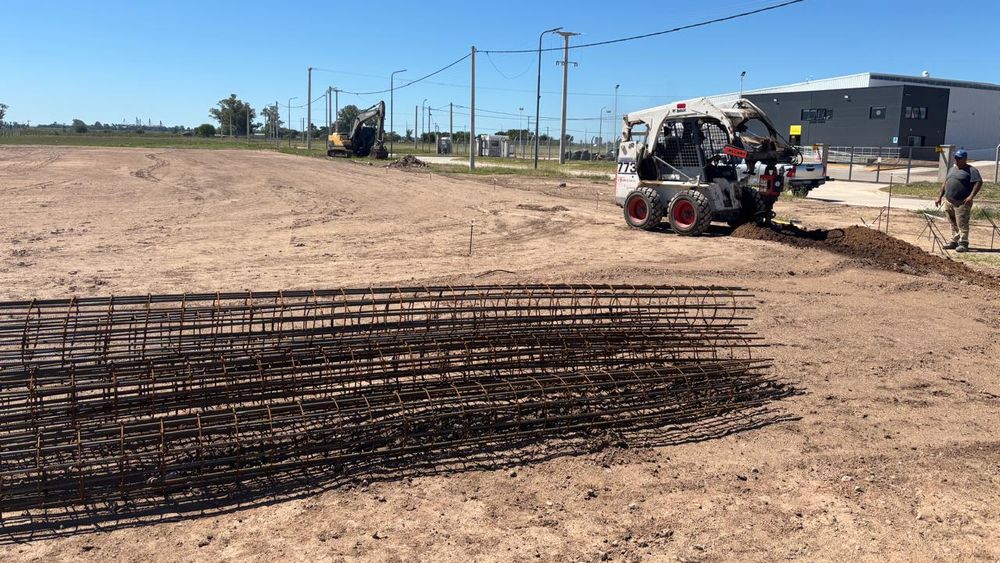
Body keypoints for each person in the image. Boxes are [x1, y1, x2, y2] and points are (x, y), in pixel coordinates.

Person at [935, 149, 983, 252]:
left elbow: (978, 182)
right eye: (955, 158)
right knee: (952, 223)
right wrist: (939, 197)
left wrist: (971, 196)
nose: (956, 160)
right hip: (949, 201)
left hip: (962, 202)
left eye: (959, 158)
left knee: (962, 222)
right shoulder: (952, 169)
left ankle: (963, 243)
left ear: (965, 159)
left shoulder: (971, 170)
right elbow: (945, 183)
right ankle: (954, 241)